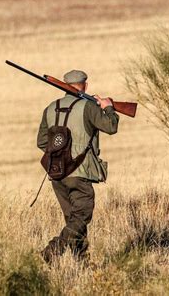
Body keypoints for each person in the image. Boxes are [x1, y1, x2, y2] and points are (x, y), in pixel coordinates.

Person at [36, 69, 119, 264]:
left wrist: (61, 151)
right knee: (82, 215)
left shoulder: (50, 108)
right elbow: (111, 126)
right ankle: (52, 250)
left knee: (73, 219)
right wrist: (108, 107)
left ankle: (81, 262)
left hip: (56, 173)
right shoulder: (87, 107)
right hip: (79, 171)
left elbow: (42, 142)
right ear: (85, 86)